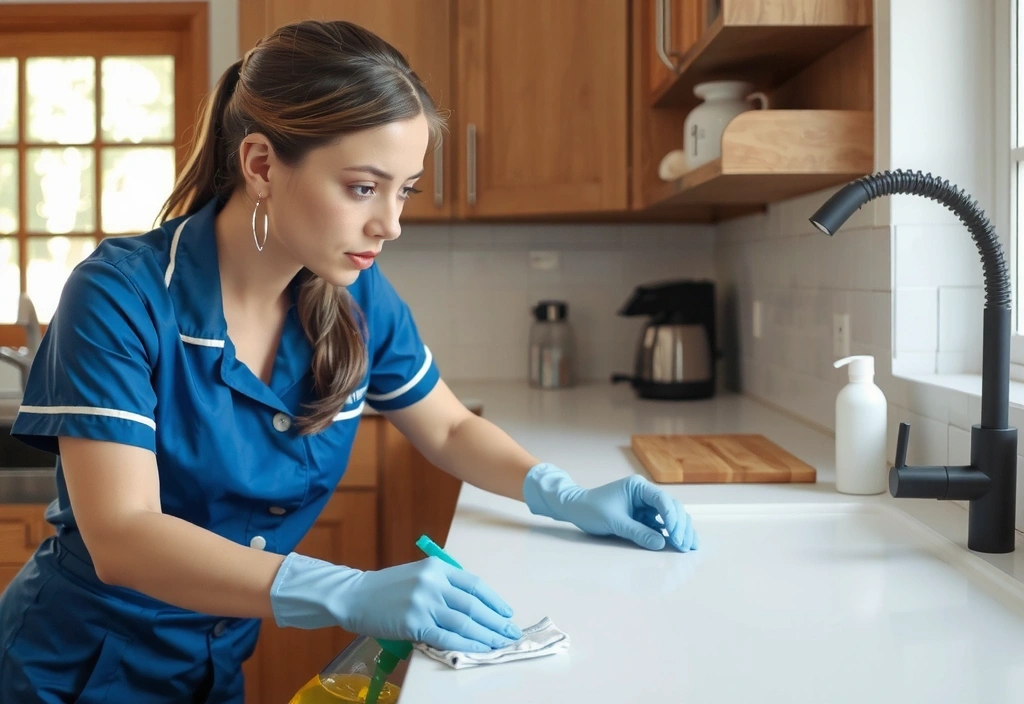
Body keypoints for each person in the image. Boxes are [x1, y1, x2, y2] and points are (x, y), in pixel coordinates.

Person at [0, 19, 698, 703]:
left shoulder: (354, 296)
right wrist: (348, 590)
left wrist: (564, 495)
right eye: (364, 188)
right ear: (262, 164)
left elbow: (449, 429)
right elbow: (123, 536)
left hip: (211, 668)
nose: (390, 223)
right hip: (69, 670)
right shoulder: (121, 294)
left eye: (404, 191)